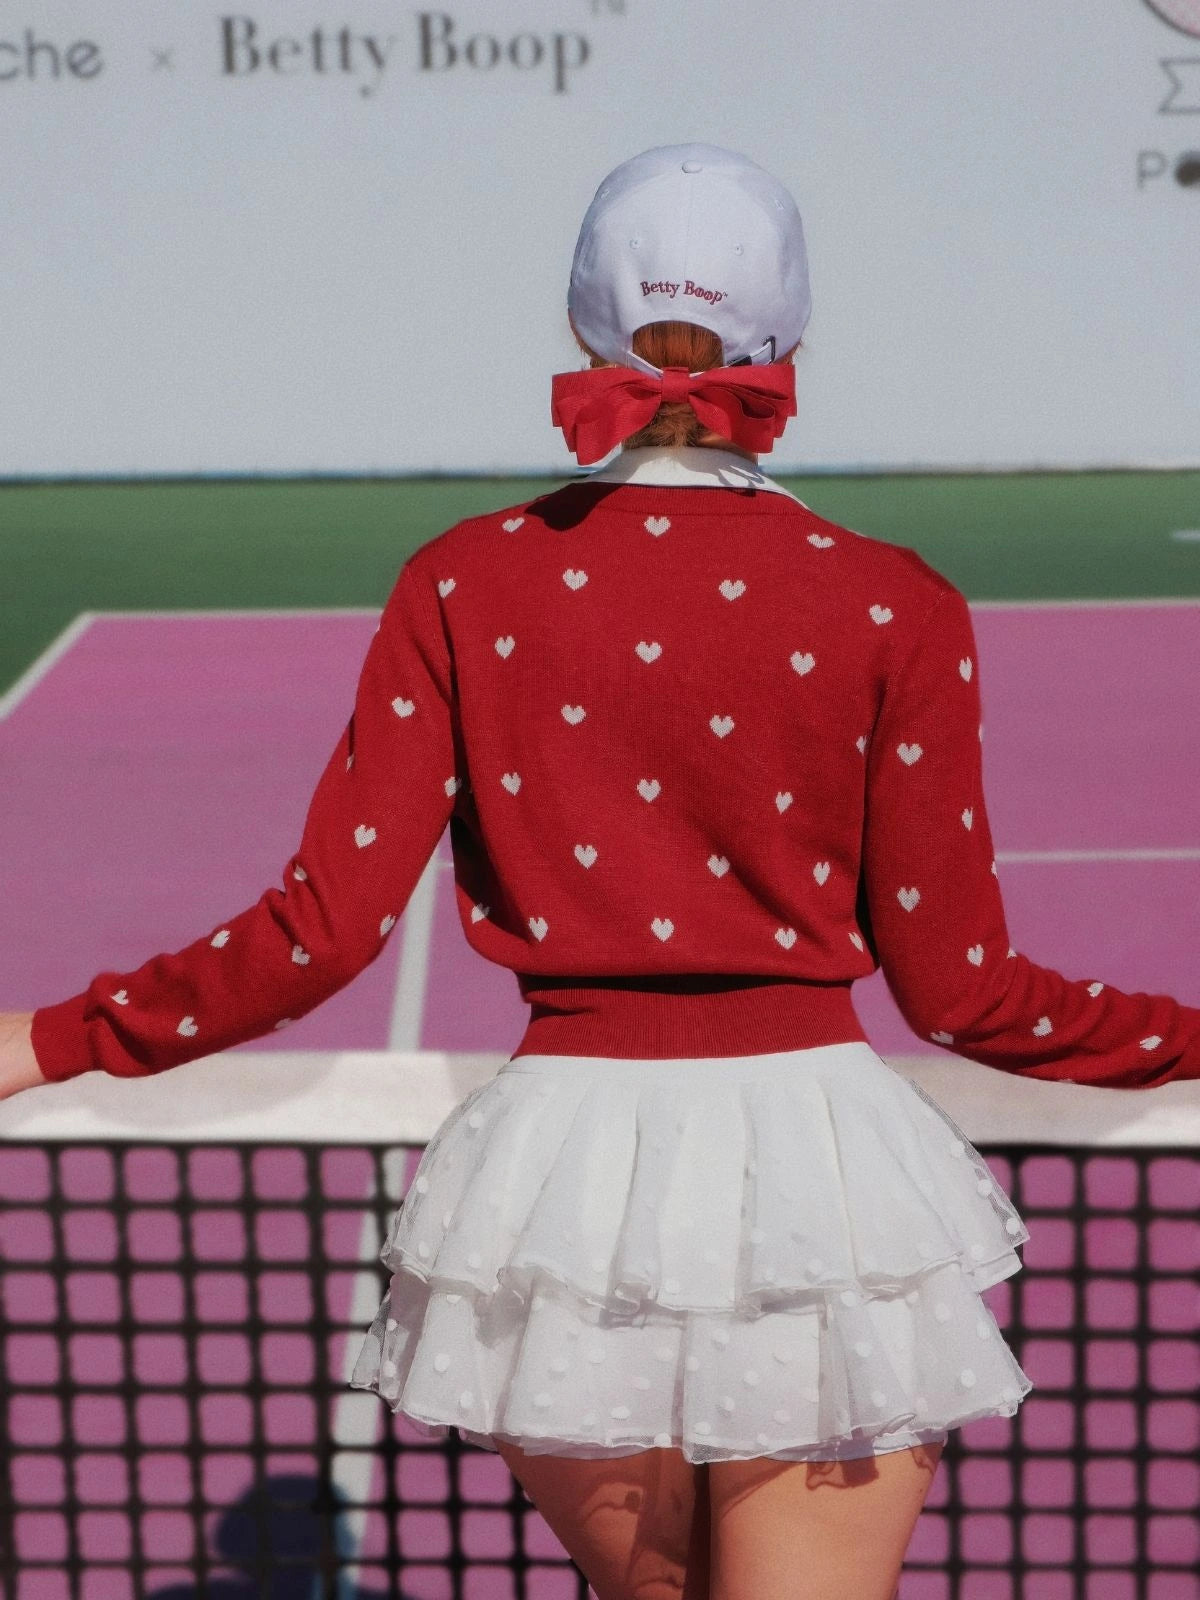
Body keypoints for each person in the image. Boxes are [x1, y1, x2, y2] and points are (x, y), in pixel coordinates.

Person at [2, 142, 1198, 1600]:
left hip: (555, 1198)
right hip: (828, 1193)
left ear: (583, 336)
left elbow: (319, 934)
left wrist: (49, 1039)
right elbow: (967, 996)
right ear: (790, 342)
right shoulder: (899, 603)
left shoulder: (461, 578)